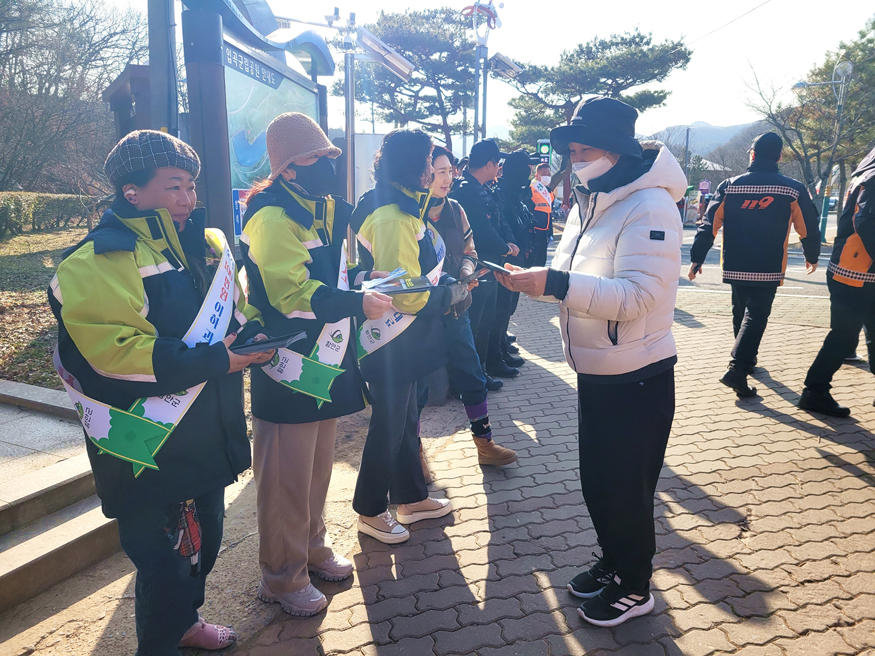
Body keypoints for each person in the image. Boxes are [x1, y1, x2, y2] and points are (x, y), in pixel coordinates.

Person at [48, 130, 273, 654]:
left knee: (204, 543)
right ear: (131, 191)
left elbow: (239, 311)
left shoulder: (209, 243)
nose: (187, 197)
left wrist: (256, 332)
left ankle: (184, 624)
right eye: (174, 186)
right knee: (161, 558)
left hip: (205, 433)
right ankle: (160, 642)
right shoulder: (97, 260)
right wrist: (218, 359)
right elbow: (117, 353)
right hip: (144, 445)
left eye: (191, 185)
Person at [496, 97, 686, 627]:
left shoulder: (649, 206)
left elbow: (640, 295)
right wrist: (534, 276)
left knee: (626, 485)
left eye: (582, 150)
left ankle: (635, 584)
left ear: (615, 150)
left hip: (638, 375)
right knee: (599, 481)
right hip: (597, 368)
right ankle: (613, 561)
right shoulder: (594, 199)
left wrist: (555, 284)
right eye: (571, 151)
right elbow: (570, 268)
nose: (573, 159)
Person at [239, 113, 395, 616]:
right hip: (287, 364)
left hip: (324, 361)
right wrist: (357, 304)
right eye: (316, 159)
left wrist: (366, 285)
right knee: (285, 475)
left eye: (330, 156)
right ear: (287, 169)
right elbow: (290, 295)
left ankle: (311, 548)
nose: (329, 165)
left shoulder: (322, 210)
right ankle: (281, 577)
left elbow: (333, 278)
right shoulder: (270, 218)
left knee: (316, 468)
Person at [350, 129, 466, 544]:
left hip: (406, 339)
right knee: (389, 424)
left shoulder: (401, 205)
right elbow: (403, 293)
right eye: (428, 163)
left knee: (407, 420)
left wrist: (447, 283)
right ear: (413, 166)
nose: (434, 173)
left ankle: (411, 498)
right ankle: (369, 508)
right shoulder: (392, 214)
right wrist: (448, 294)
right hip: (390, 339)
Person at [689, 132, 820, 397]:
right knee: (756, 316)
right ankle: (737, 369)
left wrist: (697, 257)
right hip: (768, 265)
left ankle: (746, 361)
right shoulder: (791, 188)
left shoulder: (729, 185)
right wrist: (812, 255)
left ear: (752, 154)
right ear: (779, 156)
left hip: (735, 263)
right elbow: (808, 226)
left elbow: (709, 223)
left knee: (741, 312)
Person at [418, 145, 518, 467]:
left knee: (473, 374)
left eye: (450, 171)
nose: (448, 178)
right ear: (424, 174)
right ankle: (414, 453)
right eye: (440, 172)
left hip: (458, 307)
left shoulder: (456, 209)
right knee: (418, 386)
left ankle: (485, 443)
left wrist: (465, 271)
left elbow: (470, 249)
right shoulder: (410, 214)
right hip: (421, 313)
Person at [799, 145, 875, 417]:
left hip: (857, 270)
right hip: (854, 272)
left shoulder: (865, 173)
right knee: (844, 336)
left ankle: (815, 390)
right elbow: (866, 221)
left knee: (852, 335)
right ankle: (814, 391)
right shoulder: (873, 177)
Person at [451, 139, 520, 381]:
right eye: (497, 163)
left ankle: (489, 364)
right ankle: (476, 373)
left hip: (493, 263)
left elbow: (499, 221)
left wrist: (509, 245)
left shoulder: (483, 187)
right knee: (477, 323)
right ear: (489, 164)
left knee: (490, 318)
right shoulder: (465, 190)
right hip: (477, 267)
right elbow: (481, 229)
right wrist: (505, 248)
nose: (498, 168)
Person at [491, 150, 536, 371]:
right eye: (526, 168)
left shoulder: (518, 191)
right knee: (503, 306)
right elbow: (503, 224)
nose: (529, 173)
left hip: (519, 253)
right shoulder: (502, 191)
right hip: (506, 257)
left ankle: (501, 342)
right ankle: (497, 351)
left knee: (510, 304)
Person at [530, 162, 555, 267]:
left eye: (549, 174)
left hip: (545, 230)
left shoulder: (550, 192)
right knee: (532, 262)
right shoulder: (531, 188)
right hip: (535, 230)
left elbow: (549, 211)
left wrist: (550, 231)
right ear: (537, 176)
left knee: (542, 261)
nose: (547, 177)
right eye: (544, 174)